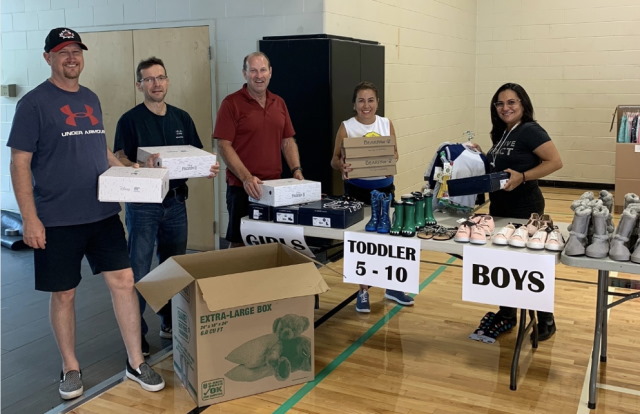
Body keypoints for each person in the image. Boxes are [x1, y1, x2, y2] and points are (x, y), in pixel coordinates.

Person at [7, 27, 165, 400]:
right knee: (64, 294)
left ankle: (135, 360)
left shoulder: (91, 98)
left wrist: (132, 173)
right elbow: (19, 163)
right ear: (48, 58)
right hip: (57, 219)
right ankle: (70, 367)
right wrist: (30, 218)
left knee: (125, 282)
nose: (71, 57)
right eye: (63, 52)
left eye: (76, 51)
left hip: (103, 215)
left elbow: (102, 154)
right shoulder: (32, 104)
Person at [113, 57, 219, 356]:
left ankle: (170, 322)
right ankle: (137, 335)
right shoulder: (129, 120)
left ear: (168, 81)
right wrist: (136, 164)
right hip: (143, 204)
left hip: (175, 202)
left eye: (160, 77)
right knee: (139, 268)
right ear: (139, 85)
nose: (156, 84)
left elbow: (197, 155)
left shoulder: (182, 118)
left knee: (174, 267)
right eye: (149, 79)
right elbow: (118, 157)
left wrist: (207, 167)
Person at [470, 82, 563, 343]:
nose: (505, 107)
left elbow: (555, 162)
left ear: (523, 104)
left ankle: (546, 319)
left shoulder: (530, 130)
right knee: (504, 264)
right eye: (500, 103)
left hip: (525, 207)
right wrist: (481, 156)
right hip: (499, 206)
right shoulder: (503, 132)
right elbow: (501, 166)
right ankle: (508, 313)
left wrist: (523, 176)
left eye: (511, 102)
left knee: (531, 266)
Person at [330, 81, 414, 313]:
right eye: (361, 100)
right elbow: (334, 160)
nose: (366, 105)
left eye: (370, 100)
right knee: (361, 242)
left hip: (385, 189)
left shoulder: (386, 123)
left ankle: (393, 287)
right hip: (357, 191)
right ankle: (363, 291)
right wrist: (342, 165)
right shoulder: (347, 127)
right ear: (354, 104)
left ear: (377, 102)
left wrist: (390, 159)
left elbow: (394, 152)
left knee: (389, 239)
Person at [213, 51, 304, 248]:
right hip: (242, 188)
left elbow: (287, 140)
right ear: (244, 73)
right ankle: (235, 279)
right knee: (239, 243)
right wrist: (246, 178)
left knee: (272, 242)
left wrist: (296, 170)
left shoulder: (278, 102)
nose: (259, 75)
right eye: (253, 70)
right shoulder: (231, 103)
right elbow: (223, 145)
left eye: (263, 70)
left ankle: (265, 280)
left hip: (274, 188)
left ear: (270, 72)